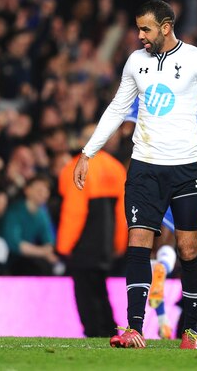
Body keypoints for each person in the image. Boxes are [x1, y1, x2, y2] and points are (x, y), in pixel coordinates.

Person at [73, 0, 197, 349]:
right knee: (139, 242)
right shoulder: (136, 62)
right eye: (138, 29)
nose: (140, 36)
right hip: (145, 168)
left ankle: (191, 328)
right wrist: (88, 152)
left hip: (185, 169)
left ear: (165, 27)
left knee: (188, 247)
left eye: (146, 29)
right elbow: (118, 107)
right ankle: (135, 328)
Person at [123, 96, 197, 340]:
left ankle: (158, 320)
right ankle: (165, 275)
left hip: (147, 171)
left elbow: (126, 129)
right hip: (183, 174)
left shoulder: (149, 93)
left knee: (146, 247)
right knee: (179, 245)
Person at [56, 125, 128, 338]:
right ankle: (108, 330)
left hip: (83, 245)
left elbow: (74, 211)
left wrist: (64, 246)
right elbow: (122, 213)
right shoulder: (115, 168)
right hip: (105, 244)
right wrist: (118, 244)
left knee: (86, 293)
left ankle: (96, 331)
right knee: (99, 289)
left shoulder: (76, 166)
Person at [0, 175, 61, 276]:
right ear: (27, 190)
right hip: (7, 256)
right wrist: (43, 252)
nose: (43, 194)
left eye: (46, 191)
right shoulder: (15, 210)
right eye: (39, 190)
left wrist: (48, 252)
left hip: (27, 255)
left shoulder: (42, 213)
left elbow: (49, 241)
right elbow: (14, 244)